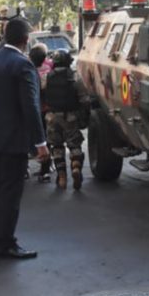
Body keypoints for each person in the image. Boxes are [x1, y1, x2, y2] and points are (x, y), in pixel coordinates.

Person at [0, 17, 47, 260]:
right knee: (10, 193)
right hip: (13, 139)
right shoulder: (23, 65)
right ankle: (6, 243)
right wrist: (40, 143)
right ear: (25, 40)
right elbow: (31, 107)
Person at [42, 49, 90, 190]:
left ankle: (61, 175)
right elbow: (85, 100)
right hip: (70, 117)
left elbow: (41, 94)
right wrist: (85, 116)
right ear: (69, 62)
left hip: (52, 117)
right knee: (74, 145)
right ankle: (75, 166)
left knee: (56, 147)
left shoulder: (46, 78)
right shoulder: (75, 78)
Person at [28, 43, 53, 183]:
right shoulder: (50, 65)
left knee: (36, 138)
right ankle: (46, 169)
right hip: (49, 109)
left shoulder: (28, 69)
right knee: (46, 140)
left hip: (36, 109)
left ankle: (37, 168)